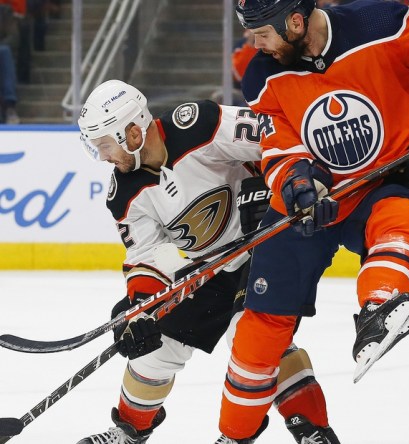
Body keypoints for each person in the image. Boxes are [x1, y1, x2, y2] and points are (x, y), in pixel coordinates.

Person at [216, 0, 409, 442]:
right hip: (310, 203)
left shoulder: (382, 23)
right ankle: (233, 435)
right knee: (260, 329)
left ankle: (380, 304)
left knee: (403, 220)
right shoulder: (263, 73)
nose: (254, 43)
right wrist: (297, 181)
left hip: (382, 184)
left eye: (261, 32)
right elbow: (278, 146)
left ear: (294, 21)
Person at [75, 80, 338, 444]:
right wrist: (139, 307)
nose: (104, 157)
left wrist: (269, 190)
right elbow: (147, 255)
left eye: (105, 145)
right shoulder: (123, 194)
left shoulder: (198, 124)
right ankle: (130, 430)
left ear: (132, 132)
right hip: (207, 268)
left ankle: (311, 430)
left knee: (255, 338)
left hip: (266, 246)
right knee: (157, 349)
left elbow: (276, 138)